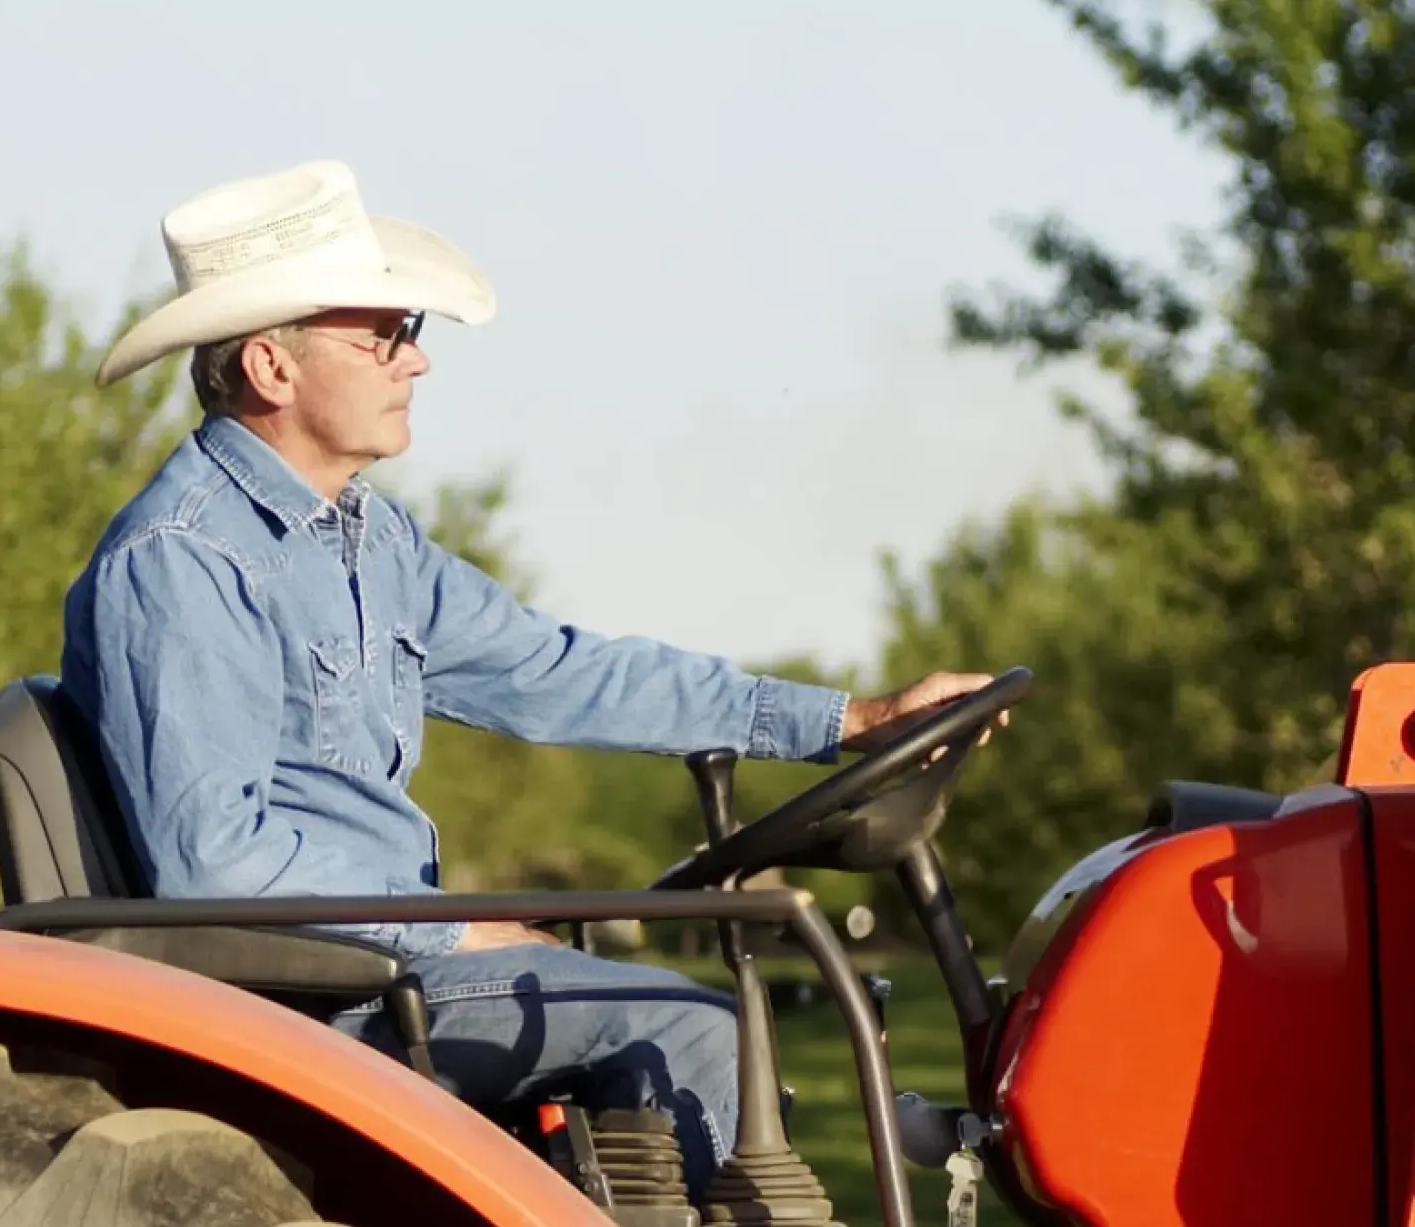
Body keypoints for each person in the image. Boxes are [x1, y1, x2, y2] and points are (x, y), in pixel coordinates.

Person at [58, 159, 1002, 1194]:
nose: (414, 362)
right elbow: (215, 866)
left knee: (696, 1015)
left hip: (385, 966)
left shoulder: (365, 539)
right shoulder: (183, 561)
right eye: (383, 334)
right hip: (303, 997)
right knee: (692, 1026)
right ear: (271, 369)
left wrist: (847, 719)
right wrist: (453, 923)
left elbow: (559, 670)